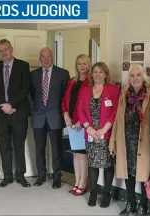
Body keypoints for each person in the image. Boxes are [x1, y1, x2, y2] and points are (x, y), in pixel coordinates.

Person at [109, 64, 150, 215]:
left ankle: (143, 204)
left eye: (138, 75)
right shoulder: (123, 95)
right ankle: (131, 203)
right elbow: (117, 120)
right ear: (129, 78)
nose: (135, 78)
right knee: (128, 174)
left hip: (143, 142)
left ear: (143, 77)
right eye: (132, 75)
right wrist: (112, 141)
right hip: (126, 141)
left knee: (143, 175)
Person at [77, 62, 120, 208]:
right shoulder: (85, 91)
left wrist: (104, 129)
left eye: (101, 72)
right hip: (90, 134)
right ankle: (93, 193)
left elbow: (116, 111)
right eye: (95, 72)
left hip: (106, 134)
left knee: (108, 164)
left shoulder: (113, 89)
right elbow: (79, 110)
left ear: (106, 74)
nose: (98, 74)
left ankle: (106, 194)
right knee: (92, 164)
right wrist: (88, 127)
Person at [0, 39, 32, 188]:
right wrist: (4, 106)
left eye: (6, 49)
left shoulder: (23, 65)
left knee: (19, 145)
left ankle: (21, 176)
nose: (3, 53)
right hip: (2, 113)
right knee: (4, 145)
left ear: (11, 49)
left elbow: (25, 88)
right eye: (0, 51)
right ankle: (7, 176)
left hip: (18, 112)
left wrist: (11, 105)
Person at [30, 47, 70, 188]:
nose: (46, 60)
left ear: (52, 58)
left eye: (49, 57)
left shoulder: (63, 73)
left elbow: (66, 97)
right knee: (39, 148)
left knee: (56, 149)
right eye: (43, 57)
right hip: (38, 116)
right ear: (39, 59)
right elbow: (31, 95)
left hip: (55, 117)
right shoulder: (33, 74)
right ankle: (41, 175)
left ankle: (57, 177)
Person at [62, 54, 90, 195]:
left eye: (84, 63)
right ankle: (77, 181)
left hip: (82, 124)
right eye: (79, 63)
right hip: (71, 122)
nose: (82, 66)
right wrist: (66, 115)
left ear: (88, 65)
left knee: (82, 154)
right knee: (75, 153)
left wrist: (81, 121)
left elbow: (88, 105)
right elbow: (65, 100)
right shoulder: (72, 81)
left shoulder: (90, 83)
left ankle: (83, 183)